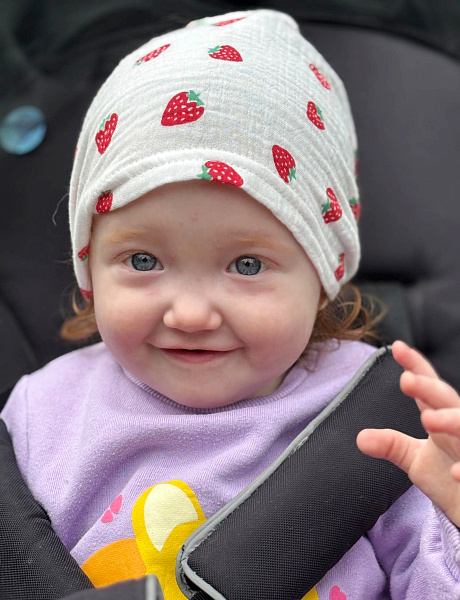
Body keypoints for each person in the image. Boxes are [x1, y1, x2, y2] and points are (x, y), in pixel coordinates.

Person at [2, 8, 460, 600]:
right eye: (142, 261)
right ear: (89, 265)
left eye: (246, 266)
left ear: (323, 272)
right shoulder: (42, 415)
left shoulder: (380, 429)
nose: (191, 315)